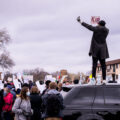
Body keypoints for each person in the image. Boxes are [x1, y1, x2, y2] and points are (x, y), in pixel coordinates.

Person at [77, 17, 109, 83]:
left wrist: (81, 22)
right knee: (103, 65)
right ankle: (105, 80)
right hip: (103, 50)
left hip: (95, 50)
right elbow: (102, 28)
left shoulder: (97, 28)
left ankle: (93, 79)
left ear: (99, 24)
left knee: (94, 65)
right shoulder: (107, 30)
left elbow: (89, 27)